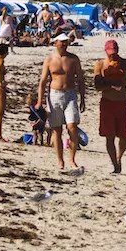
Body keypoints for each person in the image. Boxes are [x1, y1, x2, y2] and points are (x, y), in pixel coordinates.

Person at [93, 39, 126, 174]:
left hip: (122, 103)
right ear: (106, 51)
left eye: (114, 53)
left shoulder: (125, 64)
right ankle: (115, 165)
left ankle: (119, 157)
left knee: (124, 136)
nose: (112, 56)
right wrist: (110, 84)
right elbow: (97, 86)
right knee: (109, 136)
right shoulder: (100, 64)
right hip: (107, 103)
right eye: (110, 53)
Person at [38, 33, 85, 172]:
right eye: (62, 42)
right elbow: (43, 81)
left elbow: (81, 79)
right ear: (55, 43)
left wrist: (83, 98)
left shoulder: (73, 59)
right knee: (56, 130)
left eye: (66, 42)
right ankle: (60, 160)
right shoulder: (49, 59)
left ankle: (72, 159)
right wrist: (40, 101)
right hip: (54, 95)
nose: (64, 44)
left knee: (72, 127)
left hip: (70, 94)